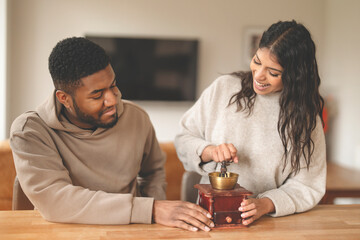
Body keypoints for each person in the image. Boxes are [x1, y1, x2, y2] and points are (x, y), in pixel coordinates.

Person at [10, 37, 213, 232]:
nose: (112, 100)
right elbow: (57, 200)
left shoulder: (136, 117)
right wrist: (150, 209)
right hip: (64, 232)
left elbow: (153, 173)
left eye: (113, 85)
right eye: (97, 94)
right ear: (64, 98)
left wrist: (154, 214)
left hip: (130, 231)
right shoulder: (30, 131)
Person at [175, 20, 326, 226]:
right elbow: (183, 138)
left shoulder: (305, 117)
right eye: (256, 61)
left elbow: (308, 185)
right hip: (209, 222)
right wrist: (209, 151)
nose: (259, 75)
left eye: (273, 73)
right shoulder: (224, 89)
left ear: (295, 75)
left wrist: (266, 204)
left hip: (269, 225)